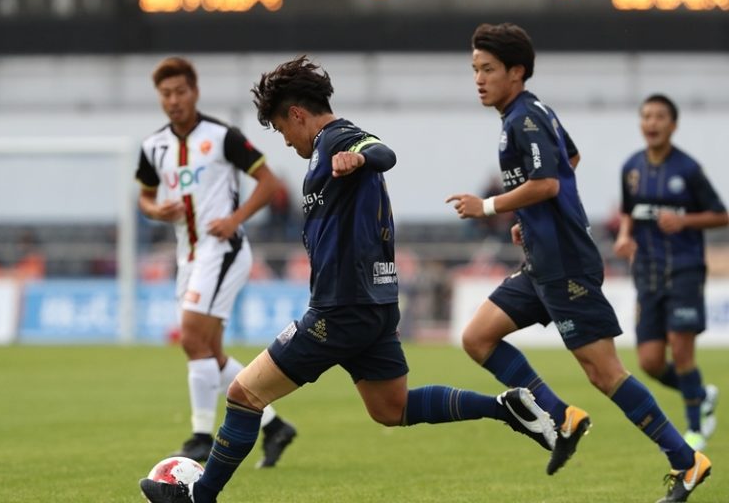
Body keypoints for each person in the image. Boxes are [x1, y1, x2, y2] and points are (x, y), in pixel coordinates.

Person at [140, 55, 558, 503]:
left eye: (282, 130)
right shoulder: (326, 148)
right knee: (391, 407)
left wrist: (358, 158)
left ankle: (199, 496)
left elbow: (383, 153)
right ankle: (504, 408)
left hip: (339, 309)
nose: (286, 141)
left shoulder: (337, 138)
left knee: (244, 393)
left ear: (297, 114)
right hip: (374, 306)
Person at [446, 24, 711, 502]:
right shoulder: (531, 112)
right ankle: (562, 416)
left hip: (566, 263)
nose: (479, 80)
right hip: (542, 261)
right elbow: (570, 157)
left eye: (488, 70)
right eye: (475, 69)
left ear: (516, 72)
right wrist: (530, 217)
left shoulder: (524, 119)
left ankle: (686, 460)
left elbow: (548, 182)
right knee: (477, 337)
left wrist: (488, 206)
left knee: (605, 374)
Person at [135, 56, 297, 468]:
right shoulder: (154, 146)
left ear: (195, 92)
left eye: (180, 91)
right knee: (209, 352)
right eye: (166, 94)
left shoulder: (222, 137)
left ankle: (201, 438)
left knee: (191, 338)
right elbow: (145, 197)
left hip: (222, 250)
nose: (174, 100)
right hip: (188, 256)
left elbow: (269, 182)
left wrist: (235, 219)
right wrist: (156, 211)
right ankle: (275, 426)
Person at [613, 94, 727, 452]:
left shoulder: (688, 169)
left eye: (660, 116)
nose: (652, 122)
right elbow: (628, 210)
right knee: (649, 362)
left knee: (681, 350)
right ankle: (701, 394)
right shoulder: (631, 168)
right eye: (646, 116)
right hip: (647, 272)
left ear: (673, 125)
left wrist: (684, 221)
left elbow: (721, 215)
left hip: (684, 270)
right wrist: (624, 235)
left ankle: (694, 430)